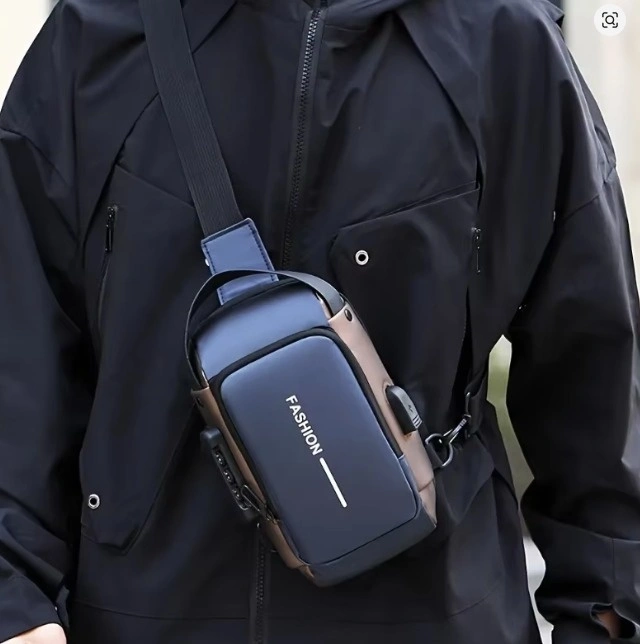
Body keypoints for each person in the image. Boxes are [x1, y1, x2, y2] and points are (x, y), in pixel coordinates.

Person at [0, 0, 639, 642]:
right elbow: (20, 344)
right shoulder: (99, 33)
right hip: (141, 618)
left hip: (435, 615)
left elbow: (594, 373)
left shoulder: (506, 43)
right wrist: (16, 607)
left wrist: (607, 615)